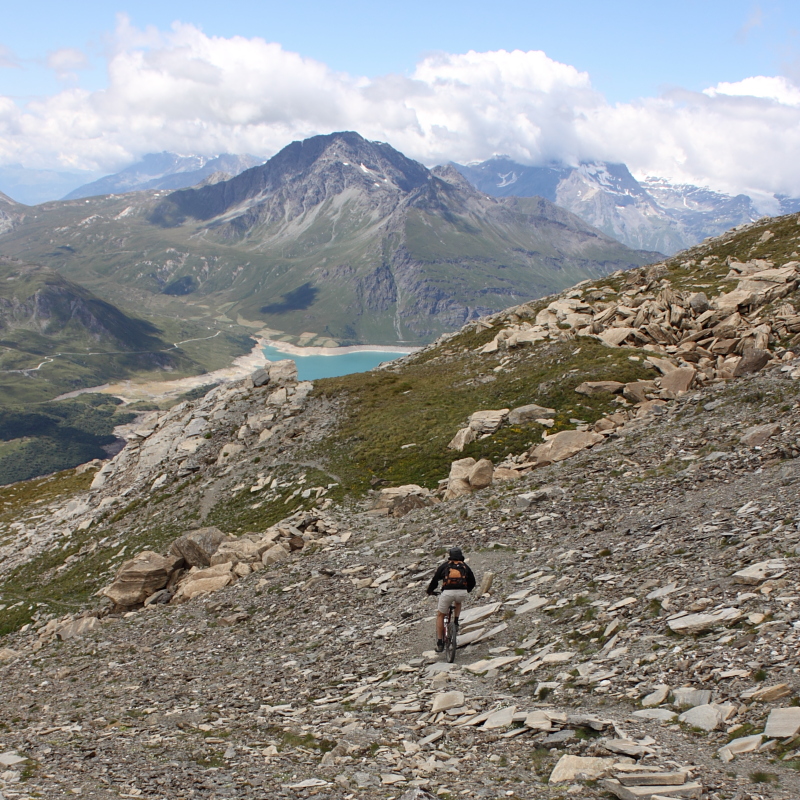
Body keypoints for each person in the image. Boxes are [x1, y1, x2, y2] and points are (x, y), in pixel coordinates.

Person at [426, 547, 476, 652]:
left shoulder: (445, 566)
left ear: (450, 555)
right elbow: (473, 582)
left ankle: (440, 643)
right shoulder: (465, 566)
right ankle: (456, 621)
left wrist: (430, 591)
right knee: (458, 602)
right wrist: (466, 590)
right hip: (462, 592)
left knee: (440, 615)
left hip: (447, 593)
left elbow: (435, 579)